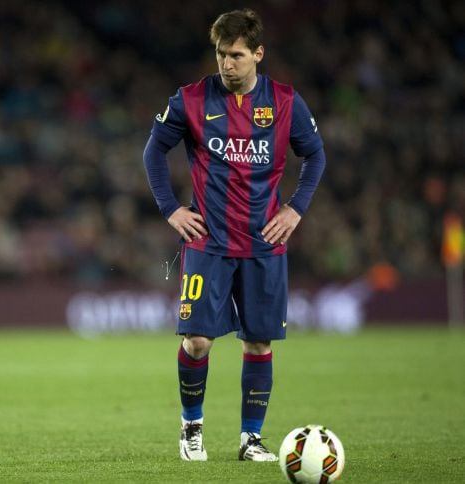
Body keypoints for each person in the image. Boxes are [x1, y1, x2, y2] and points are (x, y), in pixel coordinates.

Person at [142, 9, 326, 462]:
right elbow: (153, 152)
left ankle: (250, 439)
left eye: (237, 55)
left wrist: (296, 208)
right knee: (198, 340)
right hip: (209, 242)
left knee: (258, 341)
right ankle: (191, 429)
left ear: (258, 54)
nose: (227, 64)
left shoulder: (284, 101)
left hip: (264, 243)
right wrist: (171, 210)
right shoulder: (190, 100)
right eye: (222, 54)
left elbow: (315, 155)